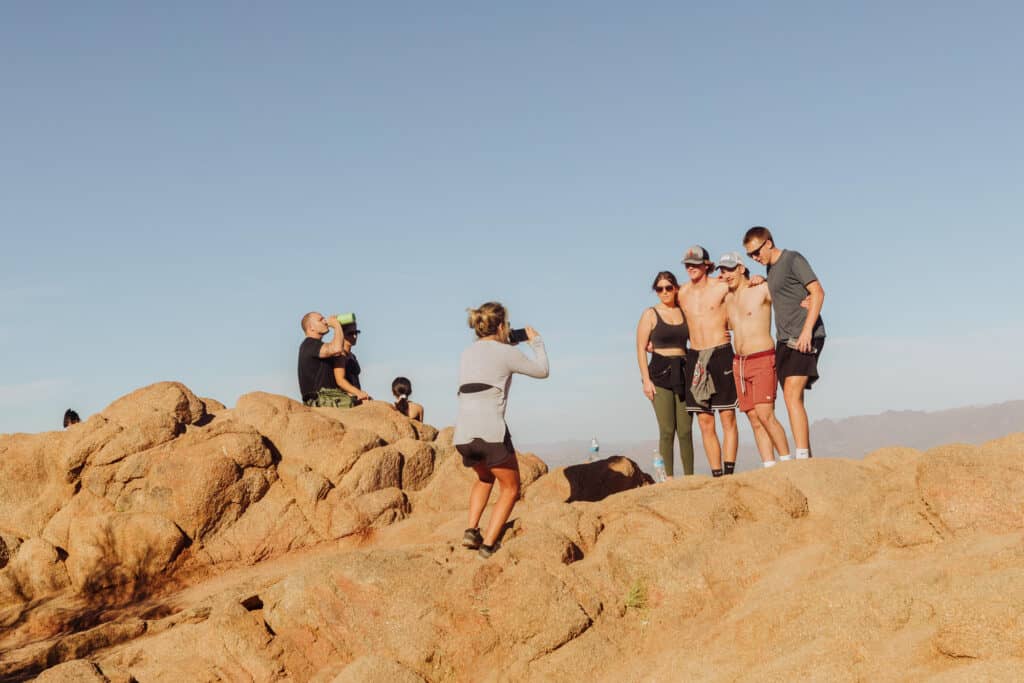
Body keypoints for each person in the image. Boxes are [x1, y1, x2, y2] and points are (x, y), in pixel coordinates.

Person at [454, 302, 549, 558]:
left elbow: (489, 360)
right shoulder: (507, 353)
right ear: (501, 325)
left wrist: (505, 345)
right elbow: (542, 371)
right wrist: (536, 342)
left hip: (463, 434)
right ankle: (488, 546)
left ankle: (471, 530)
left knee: (485, 478)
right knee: (510, 488)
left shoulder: (467, 352)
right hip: (490, 431)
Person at [743, 226, 826, 459]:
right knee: (793, 397)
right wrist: (763, 279)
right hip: (784, 340)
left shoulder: (793, 259)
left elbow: (818, 292)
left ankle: (801, 456)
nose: (754, 258)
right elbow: (784, 288)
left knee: (791, 393)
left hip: (804, 337)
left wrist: (807, 331)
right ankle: (805, 454)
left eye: (756, 252)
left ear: (768, 243)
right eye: (750, 255)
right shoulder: (771, 268)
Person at [718, 252, 792, 467]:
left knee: (765, 413)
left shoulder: (760, 289)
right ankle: (769, 465)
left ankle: (788, 463)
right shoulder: (727, 299)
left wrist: (766, 279)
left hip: (762, 357)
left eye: (730, 269)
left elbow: (786, 290)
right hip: (739, 363)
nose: (726, 274)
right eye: (723, 271)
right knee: (753, 418)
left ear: (741, 268)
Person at [677, 245, 739, 477]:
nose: (691, 267)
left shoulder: (721, 286)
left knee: (727, 416)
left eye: (695, 263)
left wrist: (757, 279)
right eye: (687, 264)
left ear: (706, 264)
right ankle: (716, 474)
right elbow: (667, 313)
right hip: (695, 356)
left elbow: (743, 285)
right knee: (704, 421)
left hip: (720, 352)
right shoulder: (681, 293)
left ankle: (729, 472)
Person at [636, 271, 694, 477]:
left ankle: (689, 477)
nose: (664, 292)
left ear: (676, 288)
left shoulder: (684, 311)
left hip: (683, 371)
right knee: (667, 430)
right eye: (660, 289)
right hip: (659, 373)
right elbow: (640, 347)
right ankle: (668, 478)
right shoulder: (650, 314)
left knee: (686, 431)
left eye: (669, 287)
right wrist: (646, 380)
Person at [297, 312, 351, 407]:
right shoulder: (309, 344)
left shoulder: (318, 346)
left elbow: (337, 351)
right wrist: (336, 325)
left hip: (329, 397)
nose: (325, 321)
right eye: (320, 319)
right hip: (320, 400)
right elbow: (336, 348)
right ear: (311, 328)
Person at [333, 317, 371, 407]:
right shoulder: (339, 354)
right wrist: (357, 393)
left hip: (357, 396)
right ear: (342, 334)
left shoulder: (352, 356)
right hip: (346, 399)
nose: (354, 336)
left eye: (356, 333)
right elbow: (339, 381)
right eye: (350, 333)